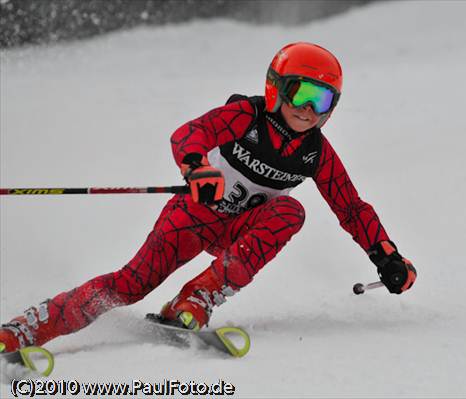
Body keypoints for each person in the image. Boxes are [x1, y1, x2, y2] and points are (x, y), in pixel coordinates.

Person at [0, 42, 416, 353]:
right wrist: (196, 168)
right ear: (276, 88)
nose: (308, 109)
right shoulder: (246, 116)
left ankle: (198, 295)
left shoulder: (316, 153)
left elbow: (350, 206)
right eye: (299, 93)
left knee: (290, 210)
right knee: (130, 285)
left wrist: (386, 256)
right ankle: (23, 330)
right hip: (194, 215)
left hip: (239, 233)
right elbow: (189, 134)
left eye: (321, 99)